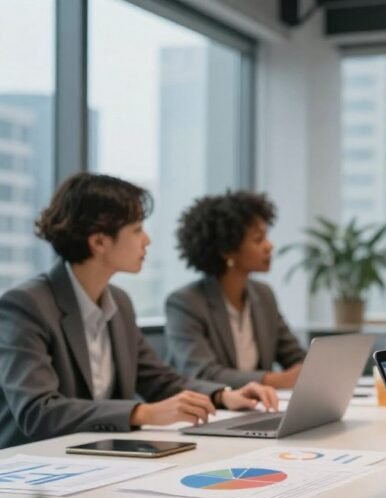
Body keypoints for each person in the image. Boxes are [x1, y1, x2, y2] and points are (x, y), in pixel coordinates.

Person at [0, 173, 278, 449]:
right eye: (136, 230)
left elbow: (159, 380)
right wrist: (142, 413)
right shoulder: (26, 305)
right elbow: (37, 411)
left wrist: (223, 396)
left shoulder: (119, 303)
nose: (146, 240)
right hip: (32, 470)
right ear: (99, 242)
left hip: (98, 455)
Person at [165, 191, 305, 389]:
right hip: (208, 411)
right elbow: (203, 372)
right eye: (258, 239)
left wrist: (309, 370)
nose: (269, 246)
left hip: (257, 409)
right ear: (227, 250)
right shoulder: (186, 302)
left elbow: (294, 356)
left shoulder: (264, 295)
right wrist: (273, 380)